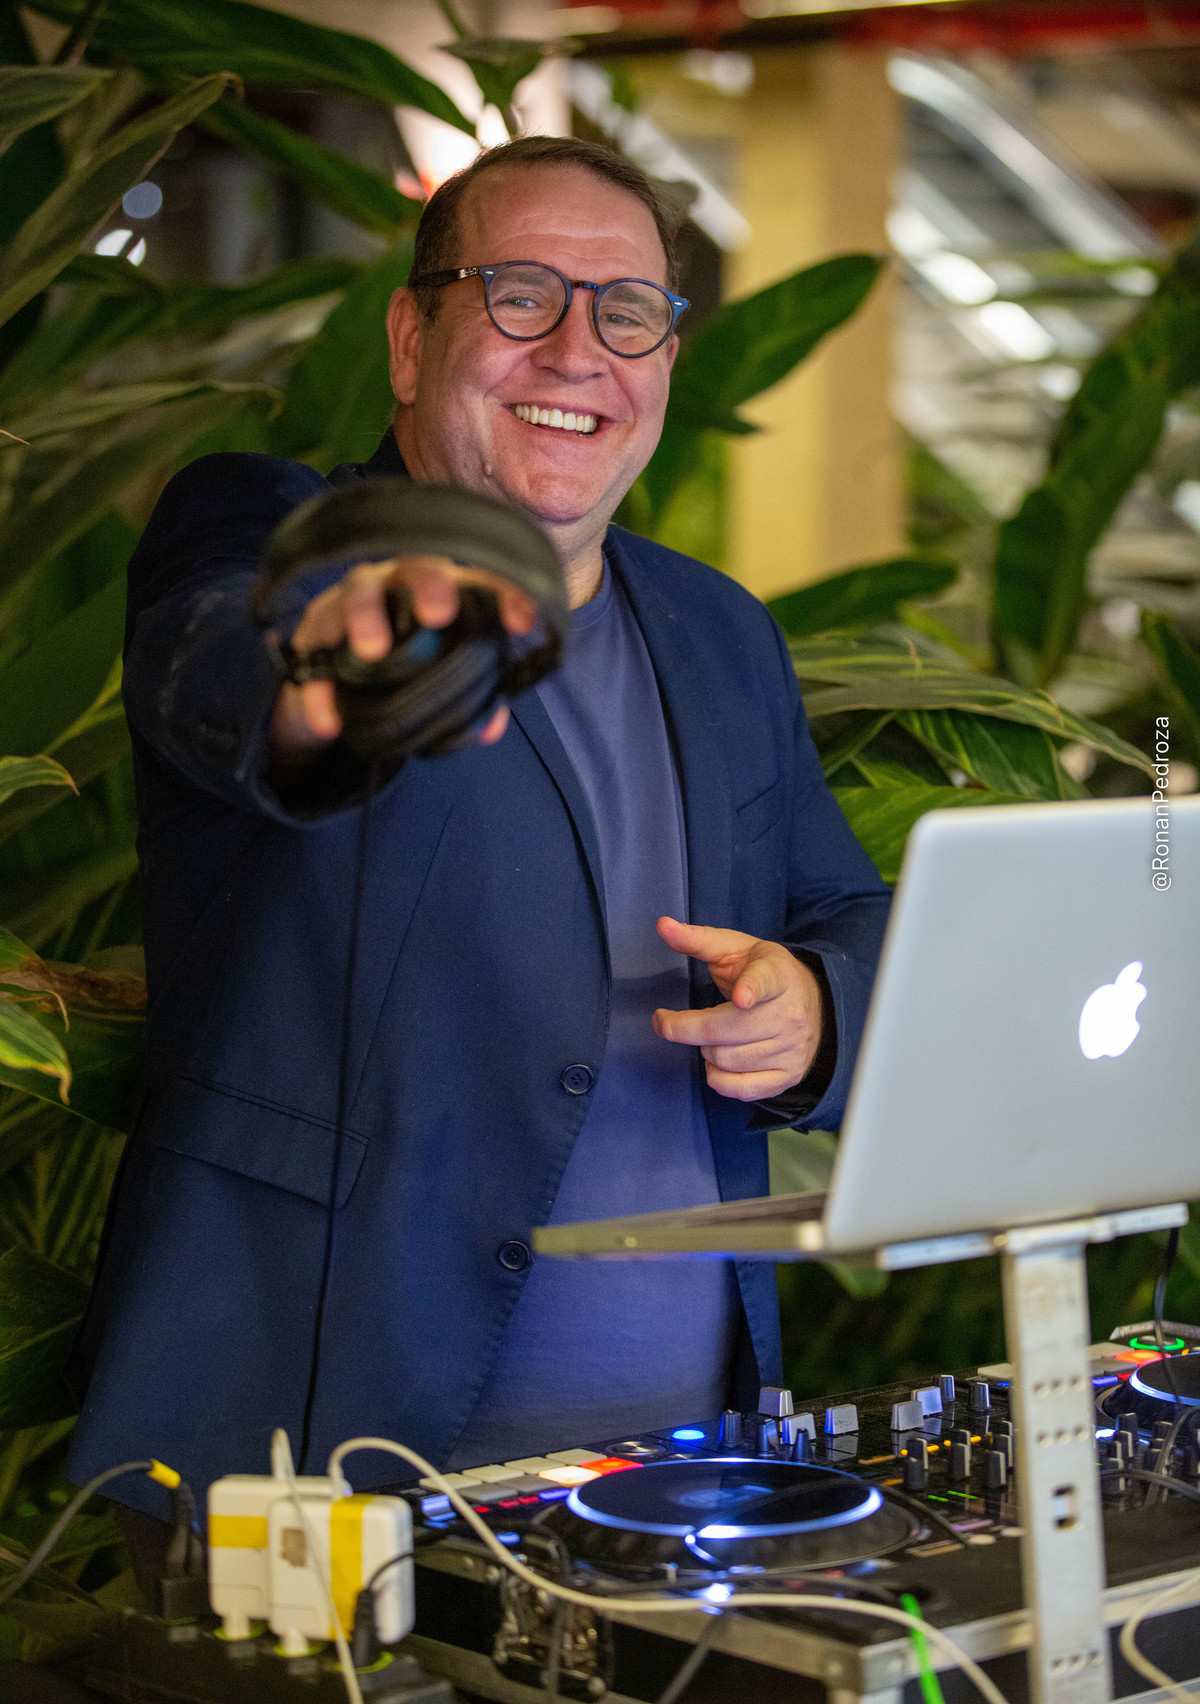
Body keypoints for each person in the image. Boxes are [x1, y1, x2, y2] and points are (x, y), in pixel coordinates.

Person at [67, 136, 890, 1519]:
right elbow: (222, 667)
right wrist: (327, 688)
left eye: (627, 312)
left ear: (666, 359)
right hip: (314, 1462)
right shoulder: (276, 534)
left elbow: (849, 915)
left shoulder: (721, 631)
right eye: (520, 295)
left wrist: (814, 1005)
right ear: (410, 340)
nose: (578, 351)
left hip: (679, 1467)